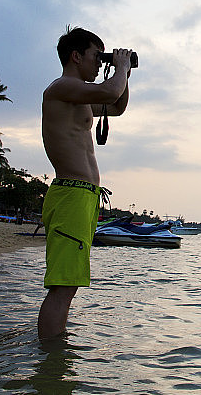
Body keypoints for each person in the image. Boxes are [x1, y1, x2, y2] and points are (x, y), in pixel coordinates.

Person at [38, 27, 132, 340]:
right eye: (95, 56)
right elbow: (109, 92)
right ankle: (51, 364)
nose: (98, 63)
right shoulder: (62, 87)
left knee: (70, 283)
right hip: (71, 196)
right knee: (63, 286)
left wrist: (126, 73)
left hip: (83, 197)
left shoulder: (76, 97)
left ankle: (54, 353)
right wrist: (118, 68)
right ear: (76, 56)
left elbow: (116, 106)